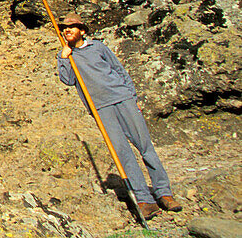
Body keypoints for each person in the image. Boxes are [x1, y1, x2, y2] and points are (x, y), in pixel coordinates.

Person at [56, 13, 181, 220]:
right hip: (100, 108)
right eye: (64, 27)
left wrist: (132, 97)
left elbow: (119, 70)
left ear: (82, 30)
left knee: (145, 146)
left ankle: (164, 193)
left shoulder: (98, 47)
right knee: (123, 153)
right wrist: (63, 58)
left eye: (72, 27)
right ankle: (144, 200)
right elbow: (67, 80)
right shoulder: (66, 55)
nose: (67, 30)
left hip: (122, 99)